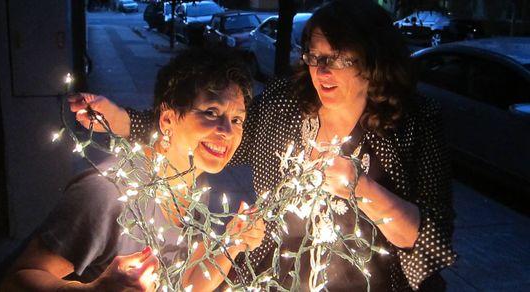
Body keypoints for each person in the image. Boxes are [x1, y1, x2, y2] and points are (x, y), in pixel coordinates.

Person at [70, 1, 457, 290]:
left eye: (336, 59)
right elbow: (221, 138)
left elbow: (430, 240)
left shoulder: (415, 121)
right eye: (314, 57)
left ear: (372, 59)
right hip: (276, 277)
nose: (320, 71)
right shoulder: (286, 103)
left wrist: (361, 188)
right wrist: (120, 119)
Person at [1, 48, 265, 292]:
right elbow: (16, 280)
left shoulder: (195, 188)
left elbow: (186, 284)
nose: (227, 132)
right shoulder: (108, 192)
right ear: (168, 119)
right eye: (211, 112)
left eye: (236, 119)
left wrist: (232, 242)